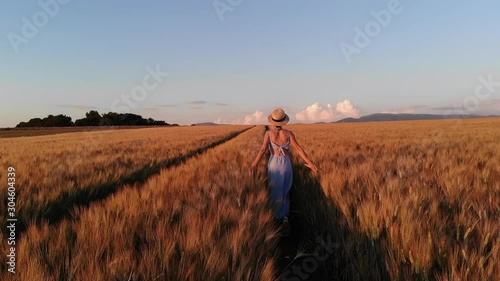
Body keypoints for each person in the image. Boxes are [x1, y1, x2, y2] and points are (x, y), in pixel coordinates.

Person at [249, 108, 318, 236]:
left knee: (276, 191)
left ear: (273, 121)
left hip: (274, 164)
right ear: (283, 121)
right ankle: (285, 218)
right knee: (286, 190)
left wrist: (254, 165)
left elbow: (263, 150)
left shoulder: (268, 134)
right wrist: (311, 163)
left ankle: (276, 220)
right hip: (286, 163)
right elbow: (299, 149)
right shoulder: (289, 133)